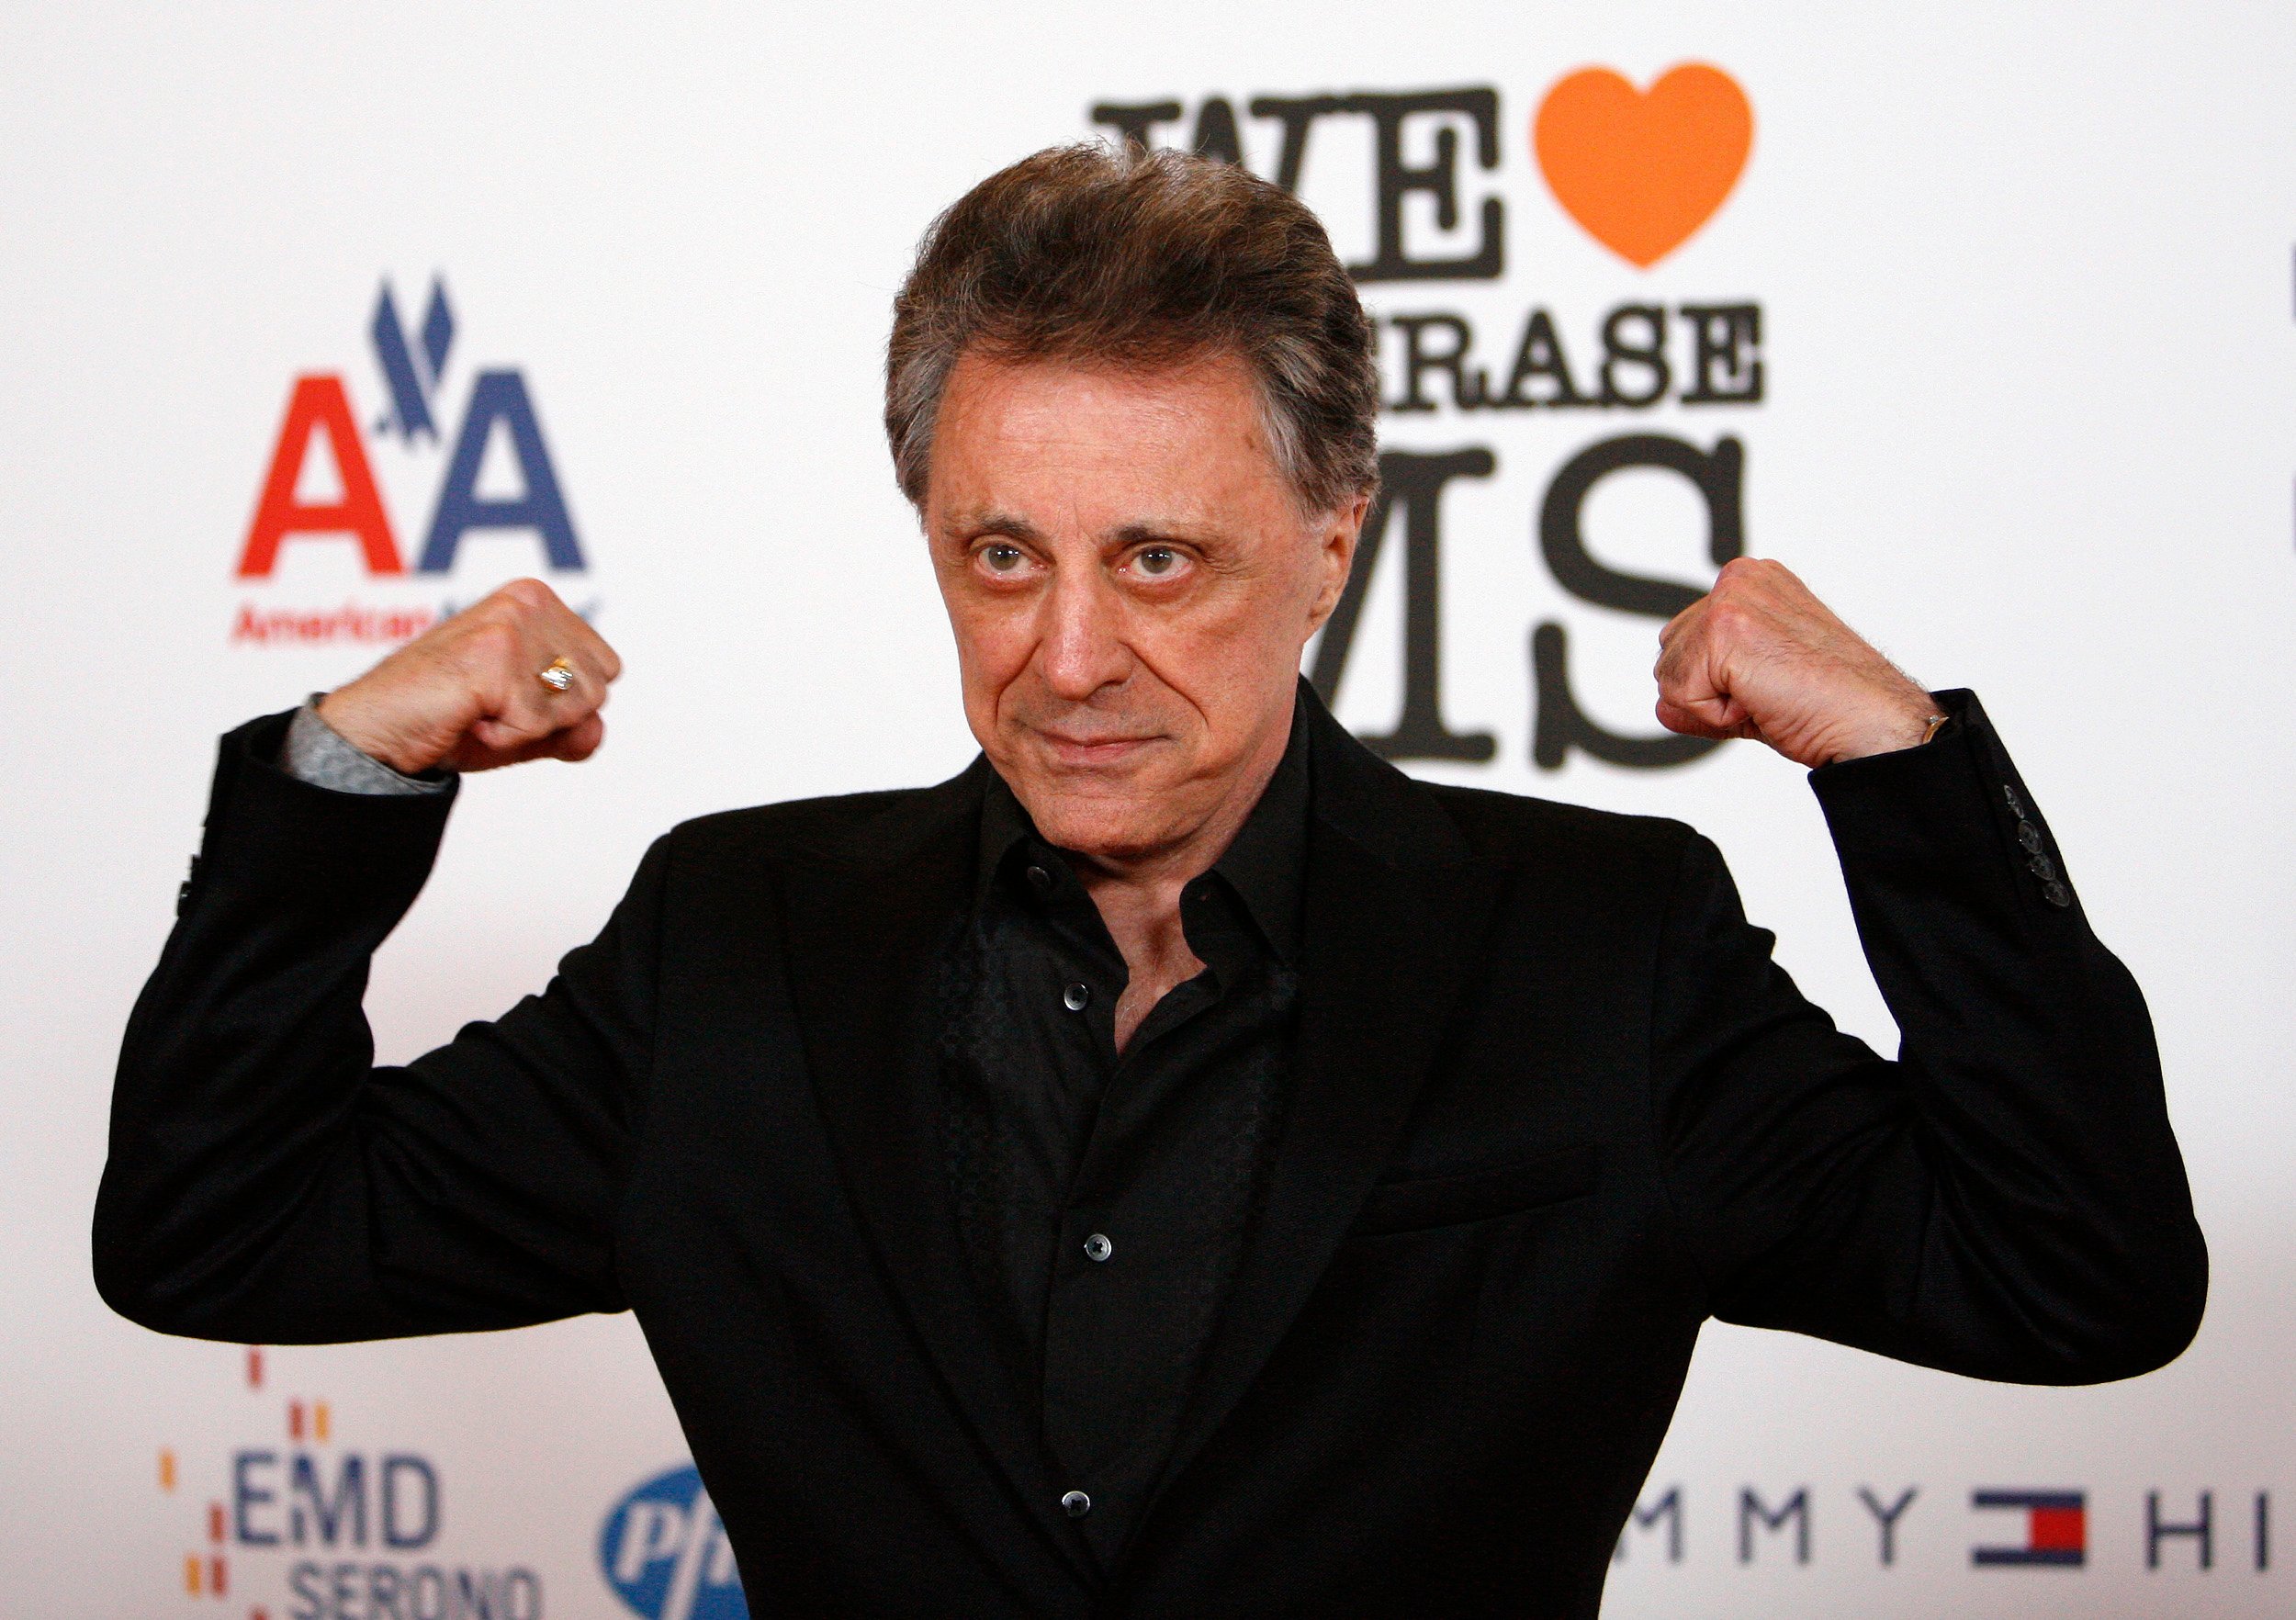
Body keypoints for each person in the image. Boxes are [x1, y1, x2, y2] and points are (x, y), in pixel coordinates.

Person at [96, 144, 2206, 1618]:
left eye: (1159, 560)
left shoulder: (1593, 946)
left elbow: (2072, 1278)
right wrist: (340, 774)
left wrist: (1905, 778)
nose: (1069, 653)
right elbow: (218, 1230)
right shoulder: (735, 941)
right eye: (1000, 553)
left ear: (1331, 544)